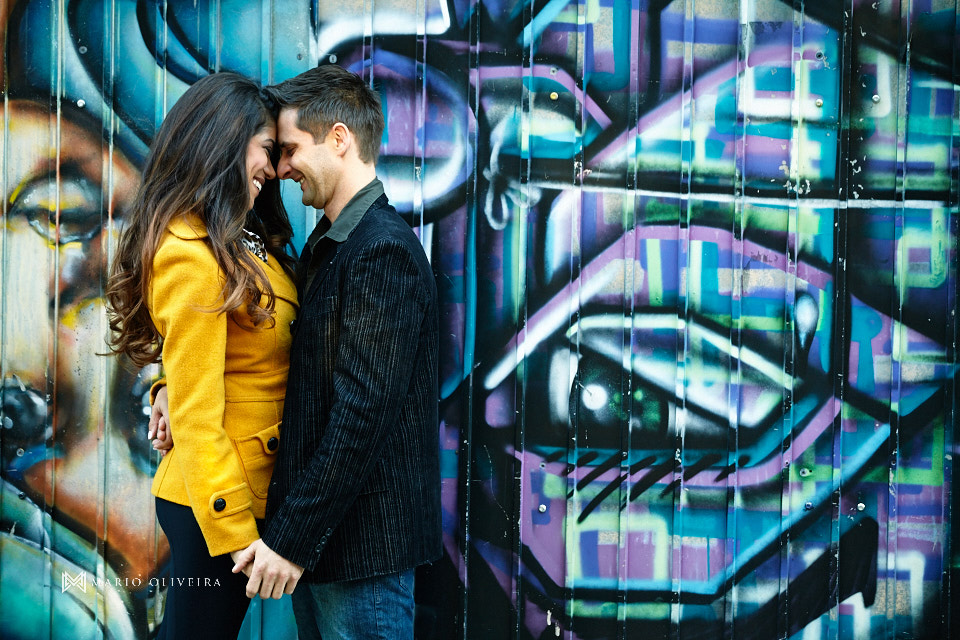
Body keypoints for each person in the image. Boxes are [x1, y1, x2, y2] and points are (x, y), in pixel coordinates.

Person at [227, 63, 442, 638]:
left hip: (361, 558)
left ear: (340, 139)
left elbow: (360, 415)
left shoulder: (380, 252)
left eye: (292, 149)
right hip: (328, 552)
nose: (281, 168)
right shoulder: (331, 246)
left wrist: (290, 542)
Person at [105, 72, 298, 639]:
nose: (275, 168)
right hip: (216, 502)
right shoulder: (192, 253)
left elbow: (212, 359)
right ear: (224, 140)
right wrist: (236, 531)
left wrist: (166, 384)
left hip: (234, 487)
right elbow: (197, 412)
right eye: (267, 150)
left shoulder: (235, 237)